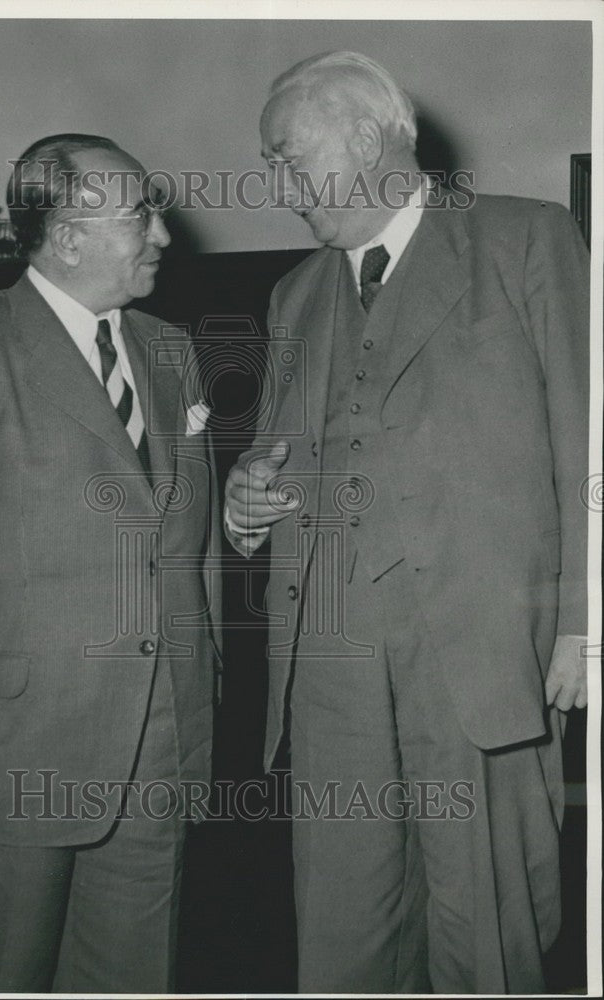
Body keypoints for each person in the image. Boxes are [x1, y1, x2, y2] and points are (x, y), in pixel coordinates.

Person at [225, 52, 589, 993]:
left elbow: (589, 443)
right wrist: (244, 506)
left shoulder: (525, 240)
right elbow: (272, 460)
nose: (275, 185)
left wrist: (583, 622)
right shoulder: (294, 296)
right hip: (330, 658)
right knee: (344, 928)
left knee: (488, 925)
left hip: (476, 647)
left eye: (285, 157)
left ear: (363, 139)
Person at [0, 133, 222, 993]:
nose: (164, 235)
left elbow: (190, 546)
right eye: (141, 214)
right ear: (67, 235)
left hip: (157, 747)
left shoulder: (172, 352)